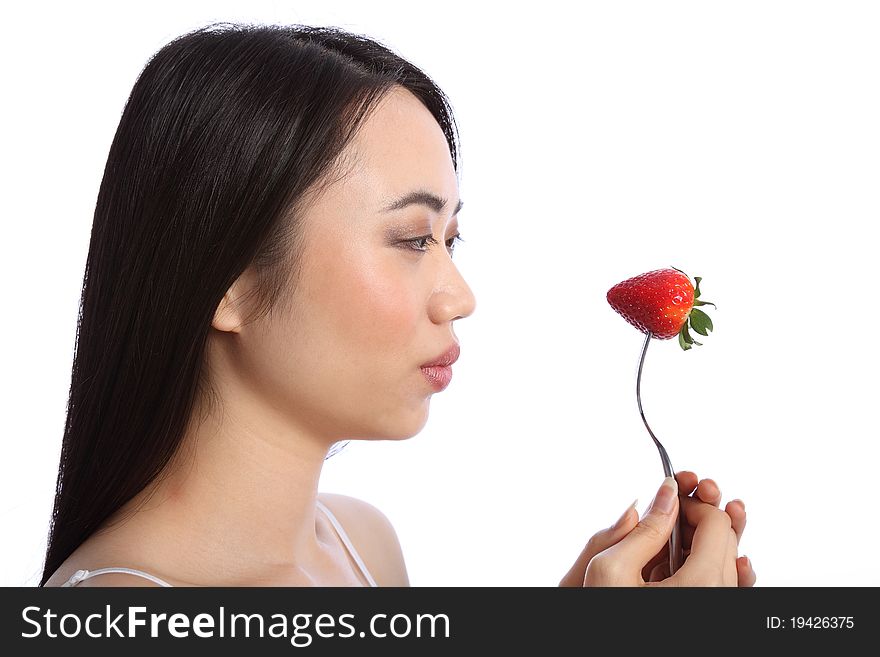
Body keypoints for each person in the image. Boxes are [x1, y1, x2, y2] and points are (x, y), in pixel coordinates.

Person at [41, 22, 755, 588]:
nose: (461, 296)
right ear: (229, 279)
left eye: (452, 237)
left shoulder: (363, 547)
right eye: (414, 238)